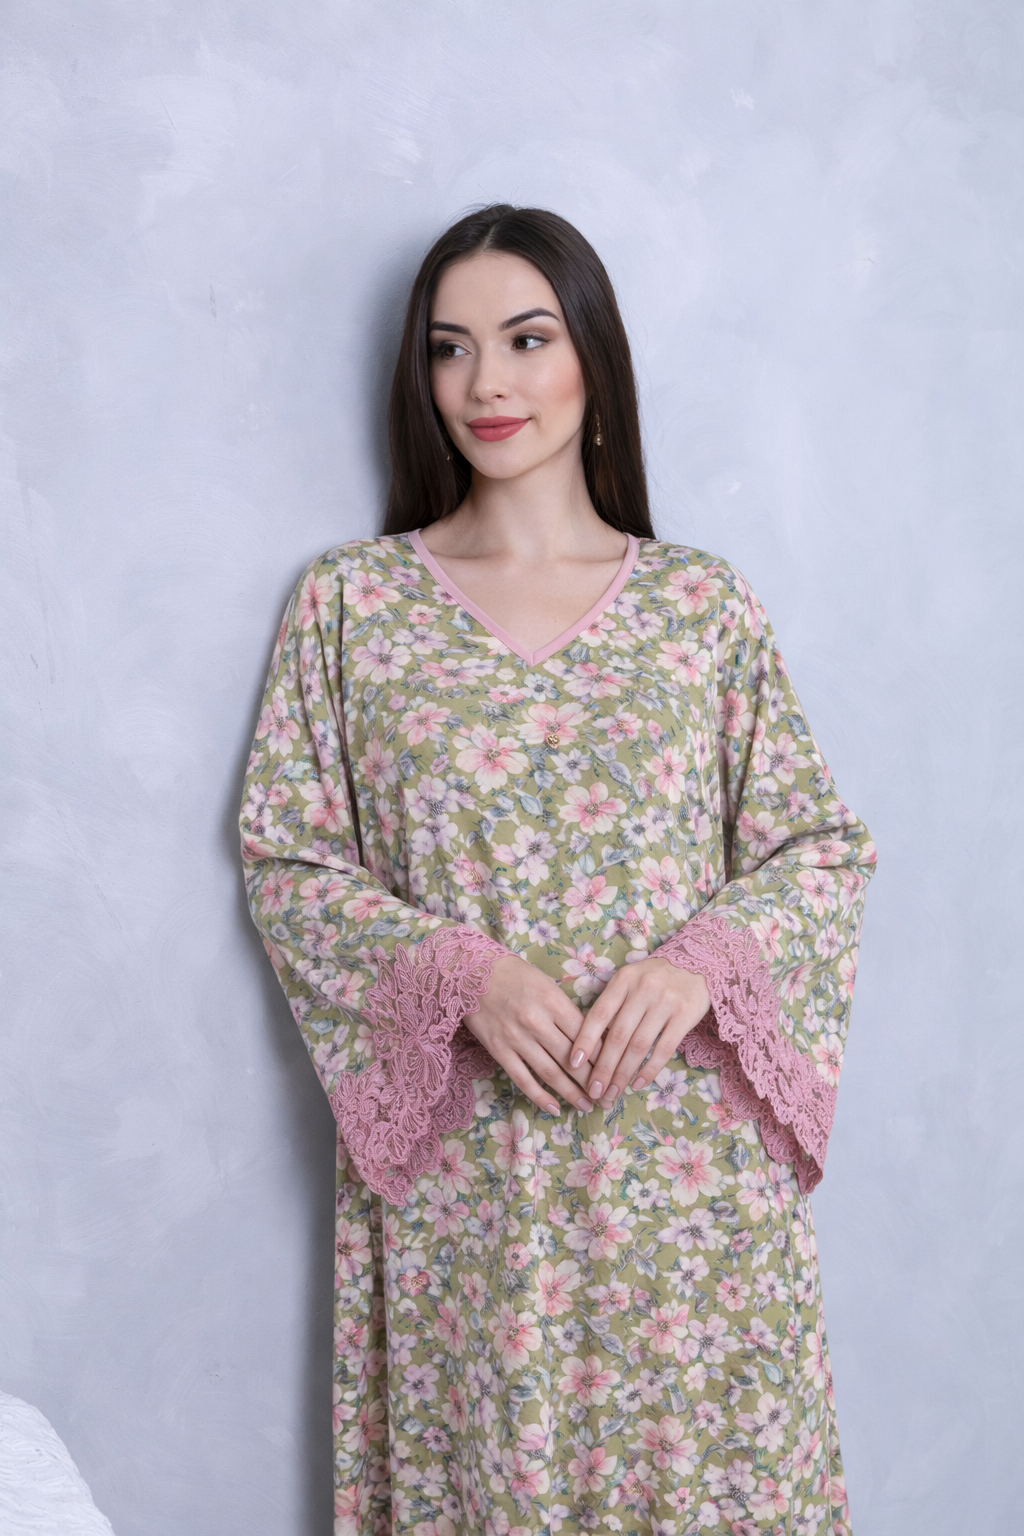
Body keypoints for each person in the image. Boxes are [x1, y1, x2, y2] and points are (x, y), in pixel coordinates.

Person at [239, 204, 874, 1536]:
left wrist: (699, 970)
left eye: (527, 339)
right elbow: (288, 855)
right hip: (476, 1193)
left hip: (691, 1192)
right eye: (450, 347)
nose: (487, 382)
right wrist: (458, 974)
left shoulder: (701, 605)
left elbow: (819, 846)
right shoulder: (352, 604)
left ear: (592, 356)